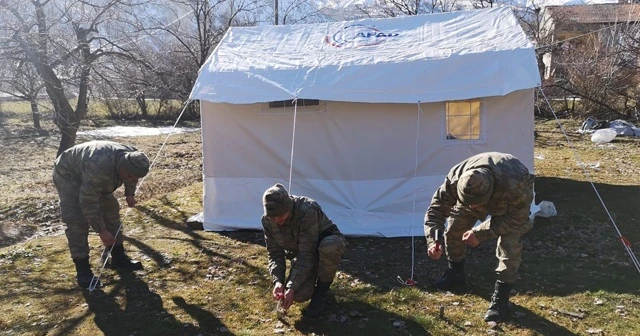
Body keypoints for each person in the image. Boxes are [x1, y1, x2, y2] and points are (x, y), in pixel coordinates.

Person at [423, 152, 534, 323]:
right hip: (482, 192)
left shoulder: (516, 183)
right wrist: (433, 240)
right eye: (469, 201)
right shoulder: (456, 179)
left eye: (476, 202)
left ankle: (501, 298)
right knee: (453, 229)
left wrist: (480, 233)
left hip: (509, 206)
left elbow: (517, 218)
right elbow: (436, 210)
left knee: (509, 246)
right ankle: (456, 273)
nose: (473, 206)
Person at [53, 140, 150, 289]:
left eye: (136, 178)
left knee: (111, 210)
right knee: (77, 221)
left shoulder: (134, 157)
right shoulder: (98, 166)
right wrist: (101, 230)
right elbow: (88, 201)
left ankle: (118, 257)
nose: (133, 180)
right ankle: (83, 270)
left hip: (95, 175)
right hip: (68, 174)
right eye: (130, 177)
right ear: (122, 167)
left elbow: (133, 175)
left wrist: (129, 194)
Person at [261, 183, 347, 317]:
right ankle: (311, 281)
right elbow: (274, 253)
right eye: (272, 217)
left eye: (280, 215)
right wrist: (278, 281)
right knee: (299, 295)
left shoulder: (307, 211)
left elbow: (307, 253)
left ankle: (322, 290)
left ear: (288, 208)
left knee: (329, 247)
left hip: (323, 245)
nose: (276, 220)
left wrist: (291, 286)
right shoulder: (268, 221)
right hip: (301, 253)